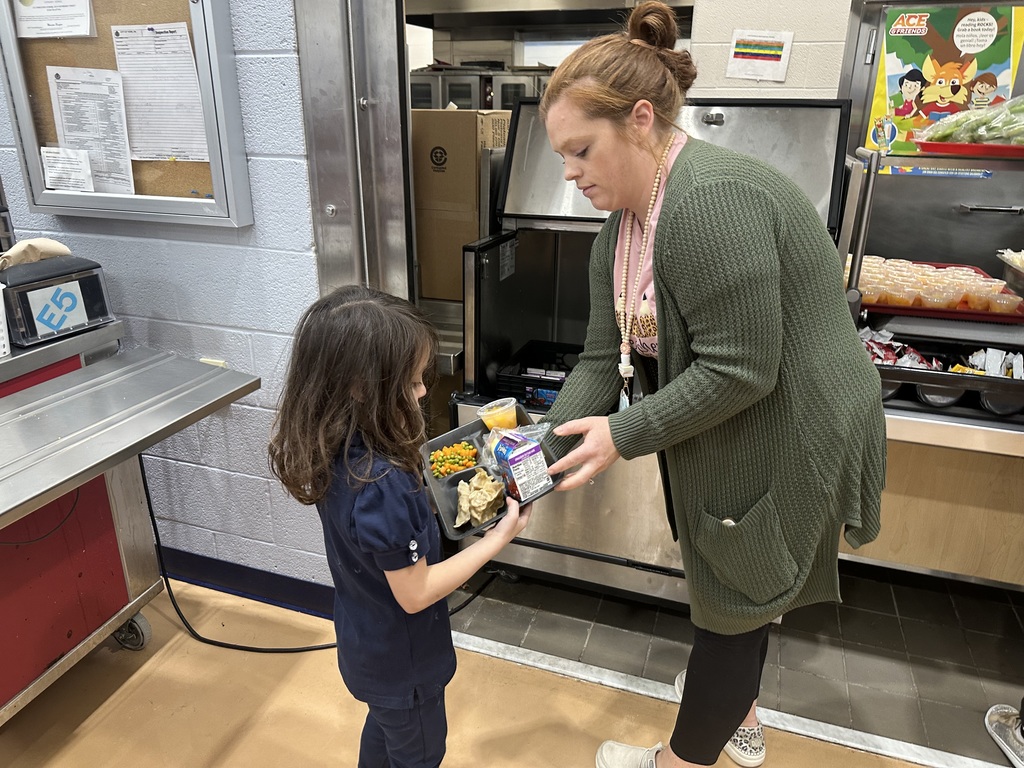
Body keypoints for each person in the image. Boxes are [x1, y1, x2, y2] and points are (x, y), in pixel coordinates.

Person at [537, 3, 887, 767]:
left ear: (638, 120)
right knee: (735, 575)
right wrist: (536, 448)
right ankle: (743, 719)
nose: (570, 172)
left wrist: (621, 435)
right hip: (744, 417)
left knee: (732, 602)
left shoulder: (706, 202)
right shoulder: (622, 229)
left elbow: (742, 371)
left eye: (580, 150)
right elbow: (604, 359)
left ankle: (680, 761)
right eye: (562, 155)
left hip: (795, 422)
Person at [268, 285, 531, 768]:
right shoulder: (381, 485)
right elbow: (416, 591)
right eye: (411, 384)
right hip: (405, 665)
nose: (424, 391)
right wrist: (499, 537)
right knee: (419, 754)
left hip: (366, 643)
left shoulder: (335, 447)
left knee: (385, 731)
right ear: (360, 387)